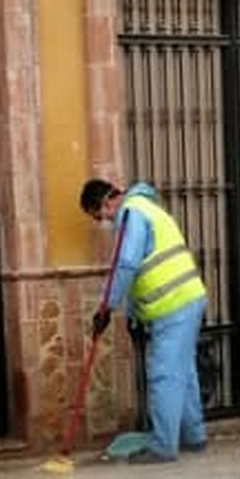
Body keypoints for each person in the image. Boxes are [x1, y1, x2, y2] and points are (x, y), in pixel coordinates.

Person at [79, 177, 208, 462]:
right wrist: (135, 315)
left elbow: (126, 264)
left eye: (99, 215)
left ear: (107, 201)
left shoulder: (132, 212)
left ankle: (163, 447)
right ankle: (193, 436)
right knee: (182, 371)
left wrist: (106, 308)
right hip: (187, 299)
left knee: (164, 374)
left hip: (174, 305)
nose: (104, 222)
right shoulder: (147, 208)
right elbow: (145, 270)